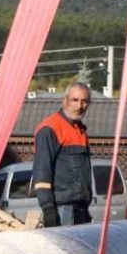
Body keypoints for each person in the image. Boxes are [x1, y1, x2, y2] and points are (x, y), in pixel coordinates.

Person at [33, 83, 93, 227]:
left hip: (81, 209)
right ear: (64, 101)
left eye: (84, 101)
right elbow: (42, 172)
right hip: (62, 210)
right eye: (75, 100)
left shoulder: (80, 130)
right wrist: (49, 211)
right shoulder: (50, 129)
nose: (79, 106)